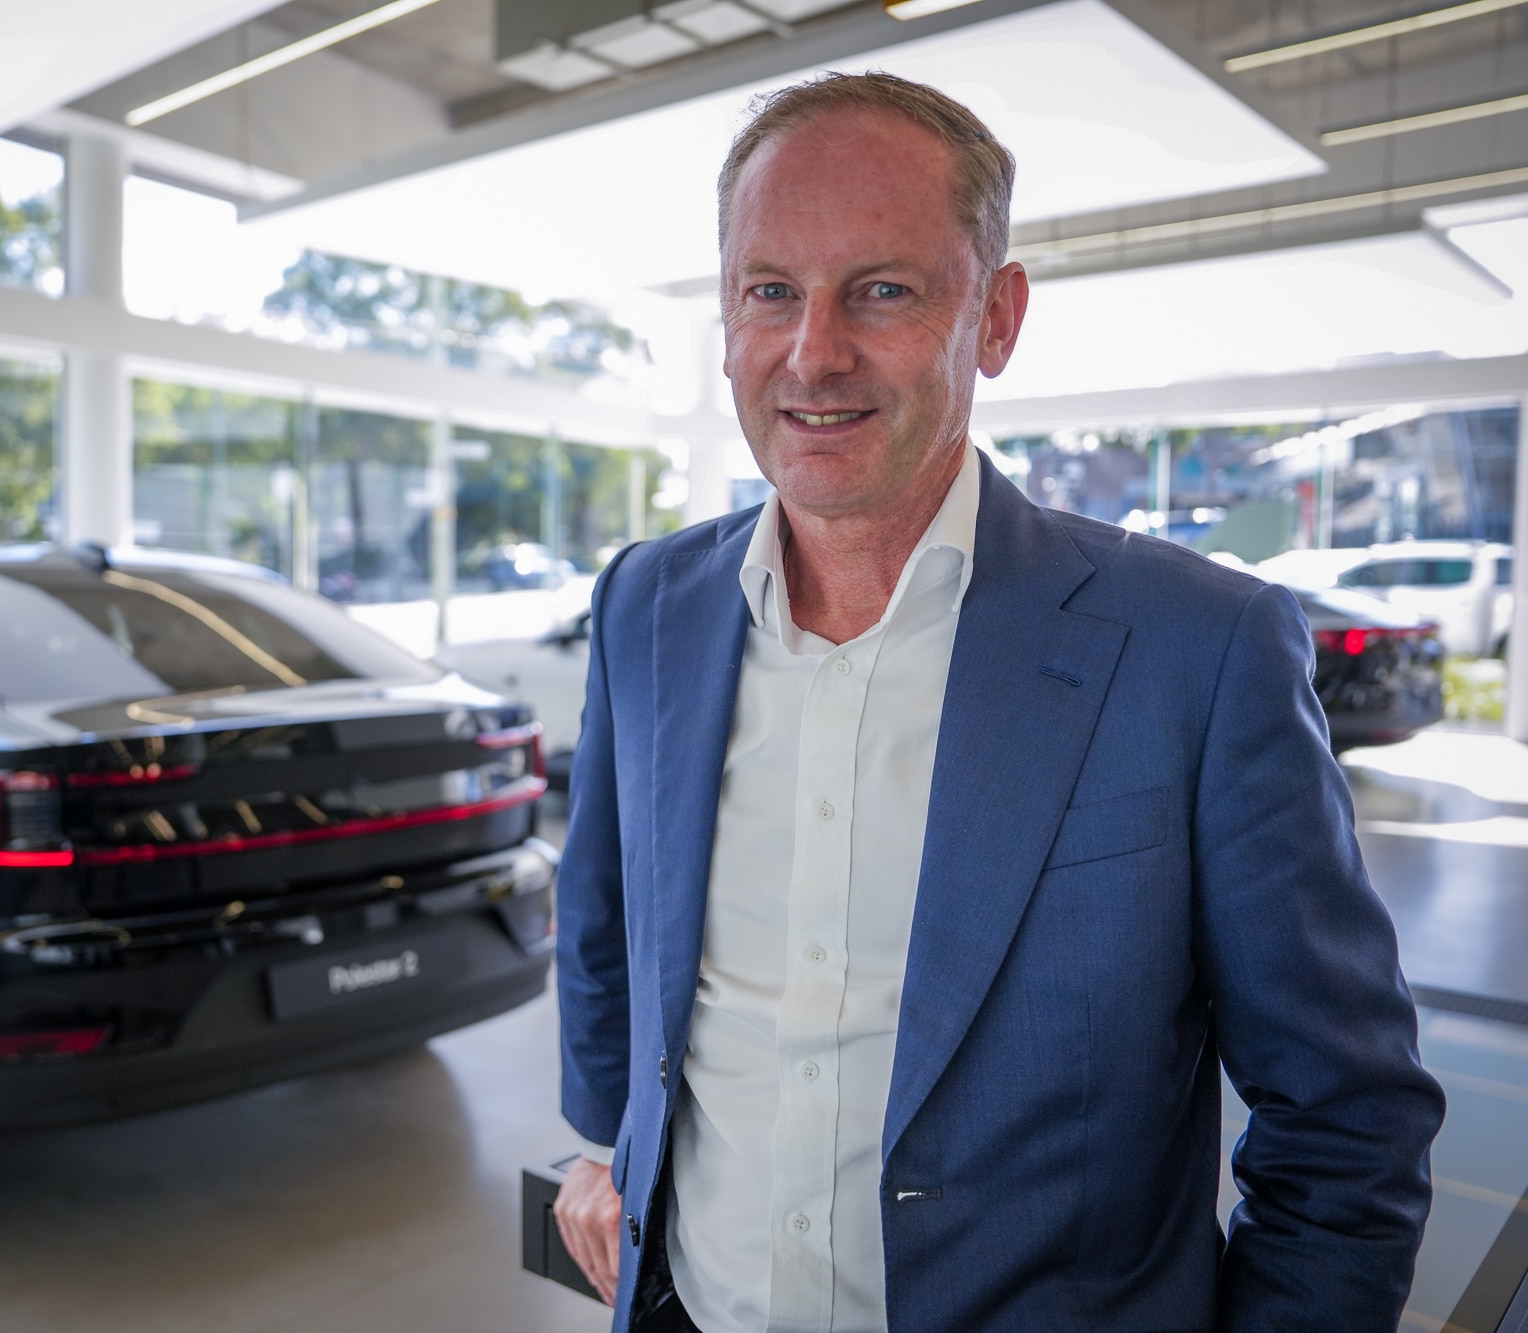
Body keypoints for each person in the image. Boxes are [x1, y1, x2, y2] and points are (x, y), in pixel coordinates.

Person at [550, 71, 1445, 1333]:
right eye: (770, 291)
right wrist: (608, 1145)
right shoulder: (647, 604)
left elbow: (1345, 1120)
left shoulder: (1194, 647)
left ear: (995, 316)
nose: (813, 353)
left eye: (882, 290)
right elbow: (603, 921)